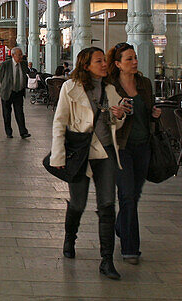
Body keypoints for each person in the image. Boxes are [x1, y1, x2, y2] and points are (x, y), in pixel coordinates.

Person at [50, 47, 125, 280]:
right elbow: (59, 122)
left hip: (105, 153)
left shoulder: (111, 89)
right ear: (86, 65)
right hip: (80, 152)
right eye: (99, 61)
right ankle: (70, 237)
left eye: (105, 60)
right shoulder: (70, 88)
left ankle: (107, 260)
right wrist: (58, 155)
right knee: (78, 203)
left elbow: (115, 124)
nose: (104, 64)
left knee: (107, 205)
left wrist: (120, 115)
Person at [107, 42, 161, 265]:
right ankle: (131, 249)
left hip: (143, 145)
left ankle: (121, 226)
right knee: (127, 195)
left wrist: (154, 115)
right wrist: (116, 112)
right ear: (118, 64)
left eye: (135, 58)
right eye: (129, 59)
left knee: (133, 196)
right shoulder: (111, 86)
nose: (134, 62)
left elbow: (148, 111)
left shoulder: (145, 84)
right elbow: (103, 114)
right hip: (121, 147)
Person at [0, 47, 31, 138]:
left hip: (19, 92)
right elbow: (0, 77)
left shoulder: (24, 64)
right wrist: (7, 86)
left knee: (20, 112)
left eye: (21, 54)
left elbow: (26, 74)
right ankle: (9, 132)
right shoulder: (5, 64)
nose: (21, 56)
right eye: (19, 55)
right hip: (7, 92)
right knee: (7, 113)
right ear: (13, 55)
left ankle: (23, 132)